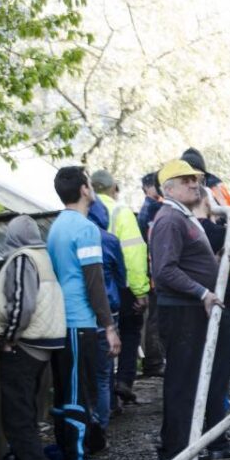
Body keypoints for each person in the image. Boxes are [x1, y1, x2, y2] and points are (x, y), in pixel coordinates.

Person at [149, 159, 230, 460]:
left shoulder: (183, 217)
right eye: (186, 180)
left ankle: (186, 450)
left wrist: (217, 262)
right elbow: (164, 271)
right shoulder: (170, 220)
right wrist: (202, 292)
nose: (194, 184)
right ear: (169, 189)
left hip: (190, 311)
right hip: (182, 313)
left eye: (195, 179)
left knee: (191, 381)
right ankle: (175, 455)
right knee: (183, 383)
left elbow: (186, 263)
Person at [0, 216, 66, 460]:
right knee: (26, 411)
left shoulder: (22, 259)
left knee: (16, 417)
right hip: (41, 345)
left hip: (23, 346)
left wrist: (9, 337)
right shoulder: (42, 256)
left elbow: (22, 304)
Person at [46, 166, 121, 460]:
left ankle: (74, 455)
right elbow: (94, 282)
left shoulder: (56, 227)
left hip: (60, 321)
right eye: (89, 184)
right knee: (78, 394)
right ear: (84, 190)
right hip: (79, 321)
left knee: (65, 392)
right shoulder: (86, 229)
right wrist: (109, 326)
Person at [90, 170, 149, 406]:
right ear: (114, 188)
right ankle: (124, 380)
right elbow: (134, 253)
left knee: (101, 339)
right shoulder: (120, 211)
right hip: (121, 284)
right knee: (130, 331)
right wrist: (140, 291)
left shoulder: (84, 210)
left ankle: (106, 399)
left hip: (94, 284)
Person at [86, 198, 127, 440]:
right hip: (109, 309)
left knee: (87, 374)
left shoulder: (77, 236)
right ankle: (103, 421)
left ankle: (91, 421)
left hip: (83, 313)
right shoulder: (110, 240)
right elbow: (122, 276)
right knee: (104, 371)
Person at [180, 147, 230, 234]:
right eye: (186, 177)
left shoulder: (217, 187)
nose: (191, 181)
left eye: (194, 174)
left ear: (203, 175)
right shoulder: (177, 192)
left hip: (222, 232)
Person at [137, 172, 164, 377]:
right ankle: (154, 362)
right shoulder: (153, 210)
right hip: (154, 273)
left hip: (152, 271)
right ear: (147, 188)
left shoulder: (149, 209)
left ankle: (154, 360)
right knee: (155, 319)